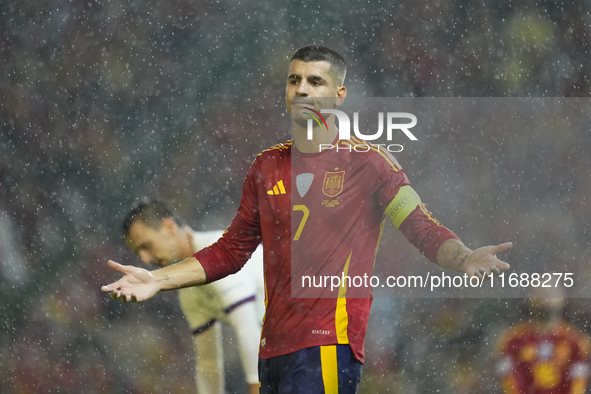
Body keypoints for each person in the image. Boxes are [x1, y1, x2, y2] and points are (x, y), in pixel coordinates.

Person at [102, 45, 512, 393]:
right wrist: (156, 279)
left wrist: (463, 257)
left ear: (339, 94)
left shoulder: (368, 162)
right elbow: (230, 251)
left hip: (328, 344)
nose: (302, 89)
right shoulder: (265, 167)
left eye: (315, 81)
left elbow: (420, 225)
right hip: (272, 351)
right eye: (294, 80)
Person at [121, 200, 264, 394]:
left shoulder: (218, 252)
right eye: (139, 253)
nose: (145, 259)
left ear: (168, 226)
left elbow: (247, 329)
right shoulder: (188, 290)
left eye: (146, 246)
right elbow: (209, 362)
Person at [495, 287, 590, 394]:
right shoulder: (512, 340)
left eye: (550, 293)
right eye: (540, 292)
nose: (545, 299)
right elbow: (509, 379)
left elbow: (578, 382)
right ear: (529, 298)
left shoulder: (575, 341)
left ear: (562, 298)